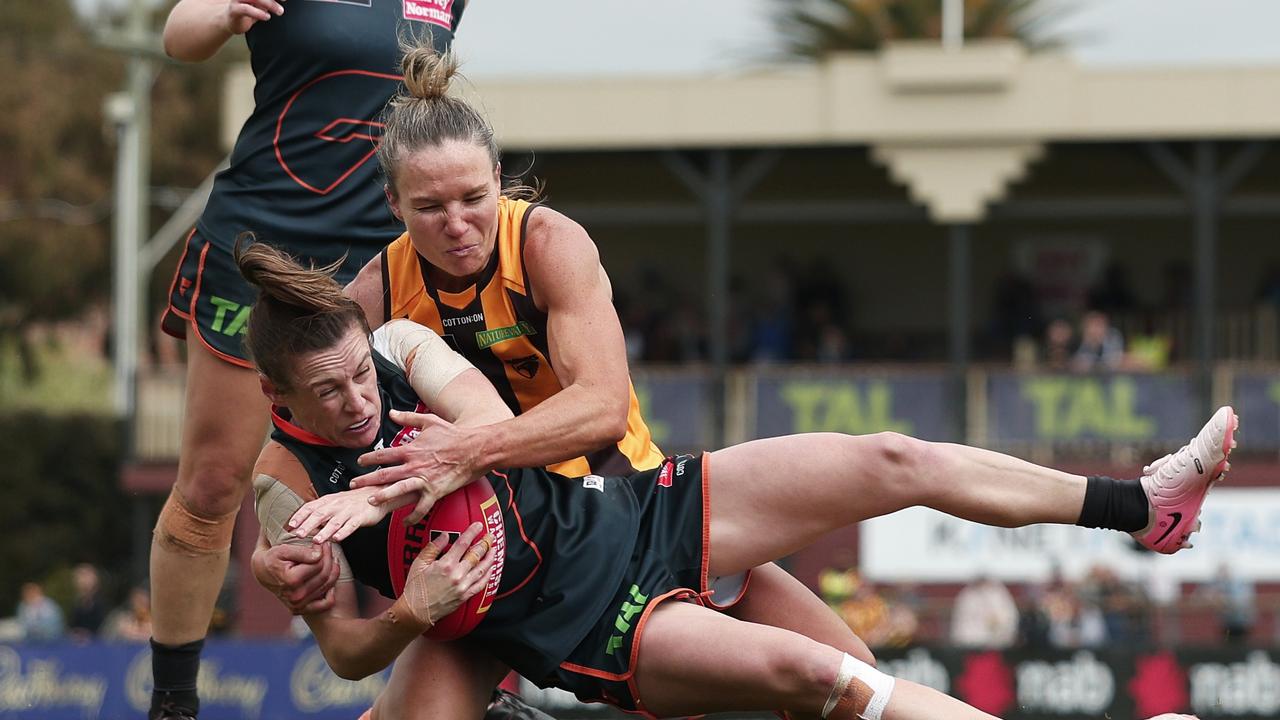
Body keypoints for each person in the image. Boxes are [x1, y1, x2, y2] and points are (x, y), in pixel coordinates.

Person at [241, 239, 1229, 719]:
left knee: (889, 457)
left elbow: (501, 431)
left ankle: (1143, 506)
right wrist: (411, 608)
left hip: (637, 509)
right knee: (821, 678)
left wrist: (385, 485)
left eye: (359, 372)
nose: (359, 401)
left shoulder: (398, 345)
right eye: (330, 395)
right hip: (586, 621)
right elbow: (353, 650)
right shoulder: (281, 489)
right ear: (281, 393)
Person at [259, 41, 877, 703]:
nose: (458, 225)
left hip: (627, 514)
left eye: (473, 197)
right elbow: (301, 440)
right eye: (429, 209)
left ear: (498, 177)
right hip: (490, 557)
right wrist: (272, 557)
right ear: (393, 205)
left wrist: (467, 449)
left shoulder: (546, 244)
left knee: (849, 678)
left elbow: (602, 410)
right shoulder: (374, 299)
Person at [150, 2, 540, 720]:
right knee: (210, 485)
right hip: (264, 241)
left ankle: (477, 696)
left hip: (386, 256)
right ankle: (173, 703)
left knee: (451, 464)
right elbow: (180, 35)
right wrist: (224, 10)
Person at [68, 563, 107, 641]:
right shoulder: (76, 604)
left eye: (86, 577)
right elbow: (72, 627)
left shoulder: (99, 604)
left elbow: (102, 628)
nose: (83, 581)